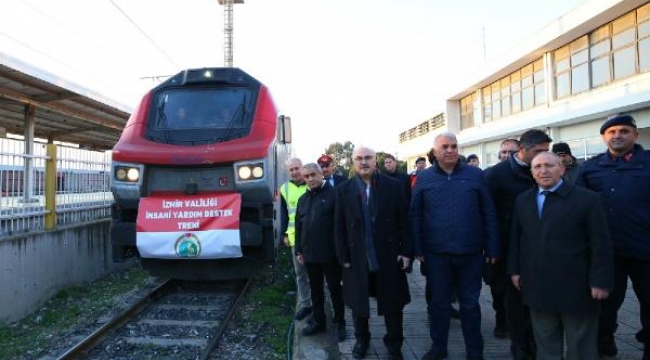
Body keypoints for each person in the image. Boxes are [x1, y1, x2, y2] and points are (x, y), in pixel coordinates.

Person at [509, 151, 613, 360]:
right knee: (546, 342)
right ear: (531, 172)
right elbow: (516, 238)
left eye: (550, 165)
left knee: (581, 345)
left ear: (563, 169)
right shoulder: (523, 200)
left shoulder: (587, 200)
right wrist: (514, 270)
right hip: (537, 284)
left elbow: (601, 244)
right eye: (537, 167)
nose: (543, 171)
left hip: (577, 286)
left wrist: (600, 281)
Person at [411, 132, 500, 360]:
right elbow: (416, 214)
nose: (450, 150)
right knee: (439, 305)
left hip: (470, 253)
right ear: (435, 151)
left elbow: (488, 212)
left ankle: (474, 351)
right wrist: (418, 247)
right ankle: (438, 347)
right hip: (436, 254)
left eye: (454, 146)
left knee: (470, 305)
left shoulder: (475, 175)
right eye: (445, 147)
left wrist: (492, 247)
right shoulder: (424, 178)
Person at [576, 114, 650, 360]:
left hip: (645, 250)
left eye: (624, 131)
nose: (617, 135)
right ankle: (605, 343)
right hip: (607, 253)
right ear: (603, 137)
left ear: (635, 135)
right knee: (604, 307)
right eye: (612, 132)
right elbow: (577, 208)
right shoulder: (590, 167)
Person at [334, 146, 412, 360]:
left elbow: (404, 220)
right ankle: (362, 340)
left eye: (368, 157)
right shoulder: (344, 189)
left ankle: (394, 346)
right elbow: (339, 226)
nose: (364, 162)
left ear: (375, 160)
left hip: (388, 255)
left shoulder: (393, 186)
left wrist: (406, 251)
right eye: (359, 158)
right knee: (359, 304)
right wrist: (343, 258)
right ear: (353, 162)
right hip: (357, 257)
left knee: (393, 305)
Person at [484, 129, 553, 359]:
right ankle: (520, 346)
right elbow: (487, 213)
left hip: (541, 248)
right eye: (538, 151)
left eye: (547, 151)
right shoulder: (496, 175)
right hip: (507, 248)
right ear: (523, 150)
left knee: (538, 296)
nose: (544, 156)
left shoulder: (547, 171)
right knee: (513, 299)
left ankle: (536, 342)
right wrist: (492, 247)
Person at [294, 163, 346, 341]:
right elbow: (299, 226)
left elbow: (342, 226)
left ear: (321, 174)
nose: (310, 179)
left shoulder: (335, 195)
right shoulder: (303, 199)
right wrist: (298, 251)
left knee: (334, 290)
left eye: (313, 175)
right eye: (306, 176)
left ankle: (340, 322)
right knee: (315, 291)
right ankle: (319, 321)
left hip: (330, 254)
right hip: (309, 255)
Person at [279, 158, 311, 321]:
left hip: (313, 237)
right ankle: (306, 304)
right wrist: (284, 234)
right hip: (294, 238)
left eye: (296, 168)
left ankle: (319, 304)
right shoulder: (284, 189)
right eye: (291, 169)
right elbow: (284, 214)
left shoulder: (311, 183)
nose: (294, 172)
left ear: (302, 168)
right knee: (300, 274)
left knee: (317, 273)